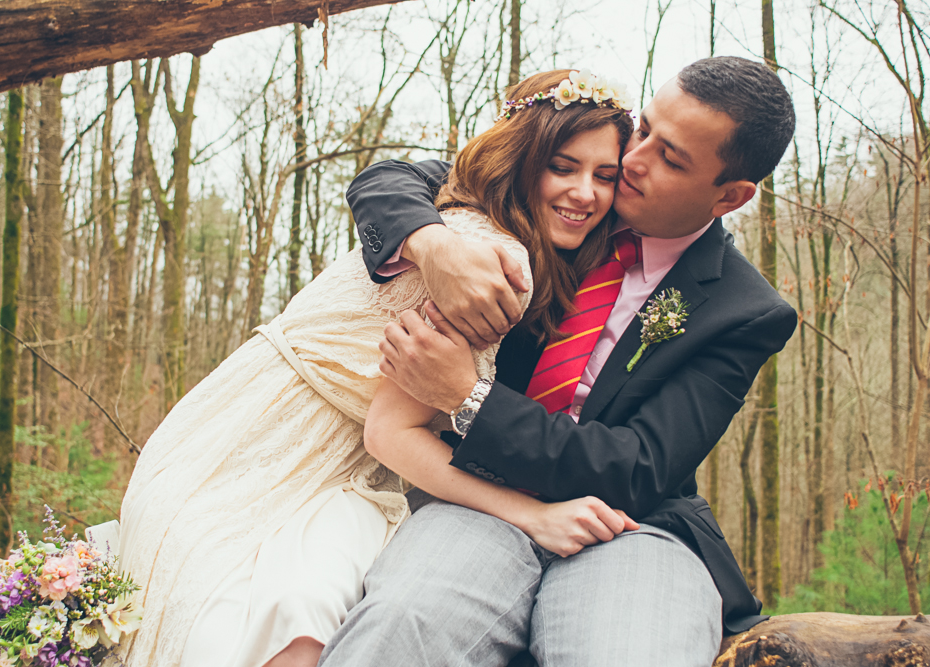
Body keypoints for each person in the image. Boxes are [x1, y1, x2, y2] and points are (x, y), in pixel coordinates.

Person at [116, 69, 638, 667]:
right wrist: (536, 516)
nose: (585, 194)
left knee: (289, 616)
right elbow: (392, 432)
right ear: (523, 159)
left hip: (268, 431)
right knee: (223, 624)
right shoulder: (494, 265)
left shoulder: (463, 207)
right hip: (268, 443)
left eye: (605, 176)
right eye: (563, 166)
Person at [317, 56, 798, 667]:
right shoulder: (558, 200)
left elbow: (637, 469)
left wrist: (471, 397)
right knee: (402, 624)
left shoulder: (744, 310)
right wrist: (434, 245)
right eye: (643, 129)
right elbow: (389, 180)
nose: (633, 159)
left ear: (729, 196)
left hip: (630, 529)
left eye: (670, 158)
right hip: (475, 500)